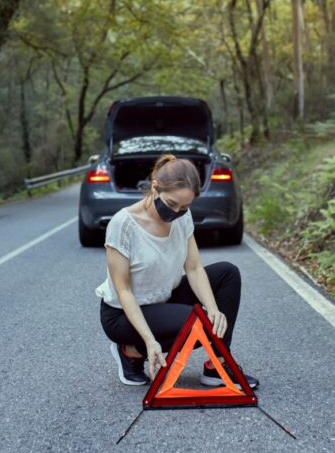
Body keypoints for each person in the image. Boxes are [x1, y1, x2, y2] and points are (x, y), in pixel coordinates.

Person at [96, 154, 259, 389]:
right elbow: (124, 291)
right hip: (123, 314)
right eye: (172, 204)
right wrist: (150, 342)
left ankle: (218, 364)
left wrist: (214, 309)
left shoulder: (182, 216)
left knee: (227, 274)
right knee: (197, 323)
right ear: (155, 188)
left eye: (185, 207)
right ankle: (131, 351)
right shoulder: (123, 225)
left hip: (163, 298)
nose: (177, 211)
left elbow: (193, 268)